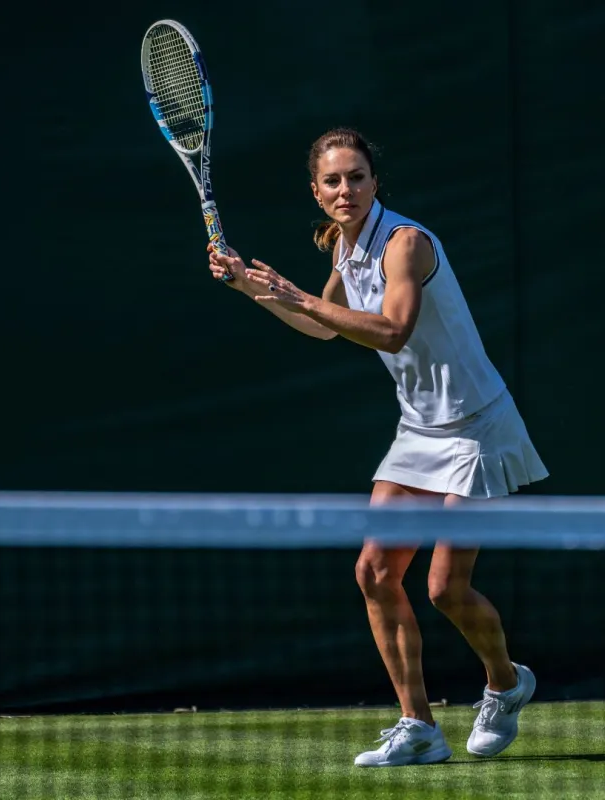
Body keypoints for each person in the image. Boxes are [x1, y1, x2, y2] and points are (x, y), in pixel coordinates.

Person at [208, 127, 548, 767]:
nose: (346, 190)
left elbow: (391, 332)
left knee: (447, 588)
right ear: (317, 191)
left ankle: (506, 682)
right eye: (333, 181)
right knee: (374, 572)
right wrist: (247, 286)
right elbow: (321, 327)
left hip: (476, 425)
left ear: (374, 182)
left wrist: (296, 292)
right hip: (419, 429)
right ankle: (418, 727)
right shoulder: (343, 246)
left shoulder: (405, 244)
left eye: (357, 177)